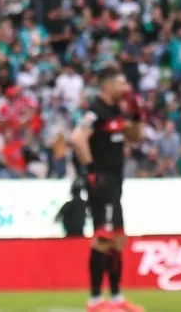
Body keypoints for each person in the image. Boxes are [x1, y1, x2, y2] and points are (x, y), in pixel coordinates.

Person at [70, 67, 144, 312]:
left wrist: (135, 116)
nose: (126, 88)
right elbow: (77, 138)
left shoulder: (116, 111)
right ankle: (94, 300)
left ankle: (115, 298)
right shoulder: (95, 110)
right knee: (103, 238)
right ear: (107, 85)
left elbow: (136, 137)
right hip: (102, 182)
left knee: (119, 240)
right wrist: (91, 171)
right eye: (121, 84)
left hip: (116, 182)